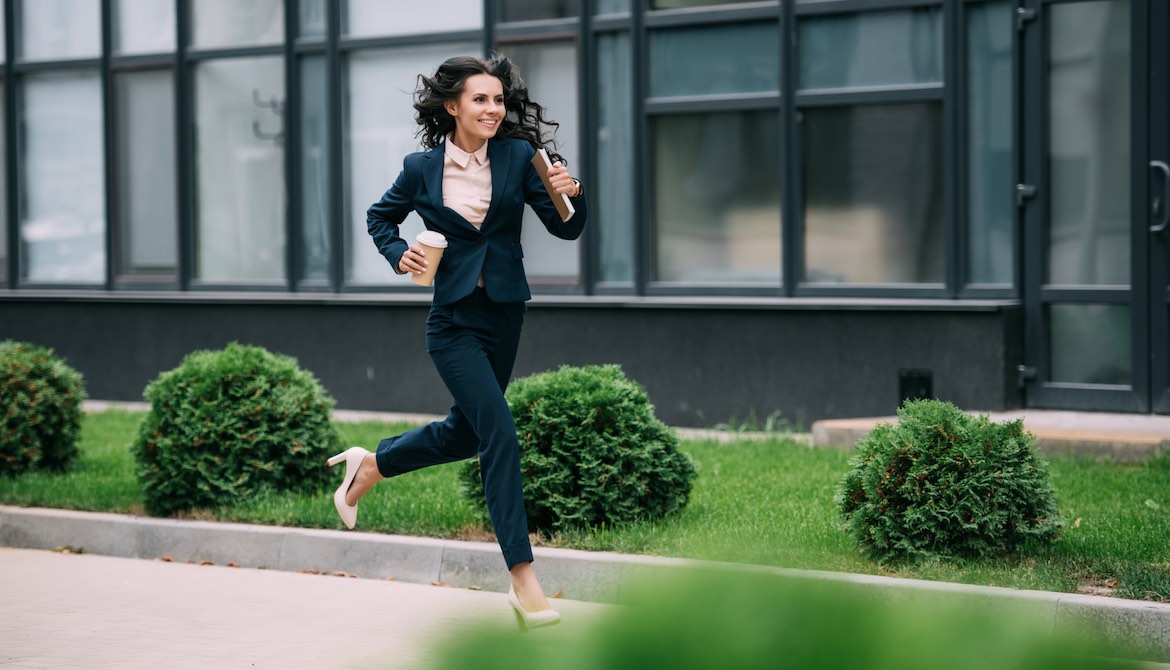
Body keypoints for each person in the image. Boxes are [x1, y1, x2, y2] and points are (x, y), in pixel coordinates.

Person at [326, 53, 586, 631]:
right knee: (498, 430)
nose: (493, 109)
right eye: (481, 100)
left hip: (505, 318)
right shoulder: (420, 168)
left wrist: (573, 191)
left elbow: (566, 225)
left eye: (498, 100)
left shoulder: (520, 157)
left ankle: (372, 465)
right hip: (452, 324)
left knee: (467, 433)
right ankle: (523, 580)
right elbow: (378, 218)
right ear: (453, 107)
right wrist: (400, 255)